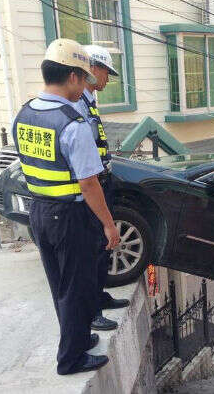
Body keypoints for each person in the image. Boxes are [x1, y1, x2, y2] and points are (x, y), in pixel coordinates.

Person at [12, 38, 121, 375]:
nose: (86, 85)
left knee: (60, 284)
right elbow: (89, 183)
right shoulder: (72, 125)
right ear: (72, 76)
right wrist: (108, 223)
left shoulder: (25, 113)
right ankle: (70, 359)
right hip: (69, 215)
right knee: (77, 286)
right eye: (84, 77)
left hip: (39, 212)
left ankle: (76, 339)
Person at [78, 44, 129, 332]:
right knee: (92, 249)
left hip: (101, 179)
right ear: (91, 69)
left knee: (101, 249)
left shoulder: (89, 101)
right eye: (106, 72)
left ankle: (100, 296)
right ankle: (92, 310)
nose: (108, 79)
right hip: (89, 187)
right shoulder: (77, 104)